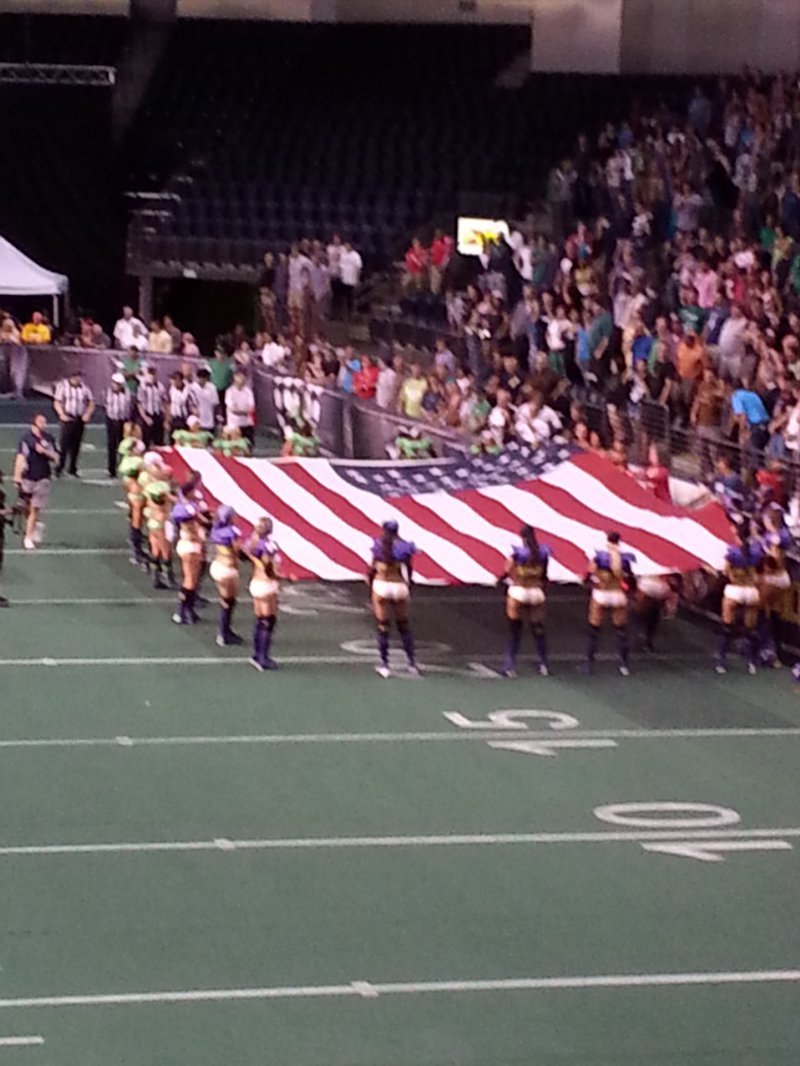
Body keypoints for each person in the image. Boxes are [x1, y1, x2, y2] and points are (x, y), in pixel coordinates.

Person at [367, 519, 419, 679]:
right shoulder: (406, 546)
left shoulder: (378, 545)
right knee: (403, 625)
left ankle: (385, 665)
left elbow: (371, 569)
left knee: (383, 627)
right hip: (399, 586)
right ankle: (412, 663)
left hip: (381, 585)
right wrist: (408, 584)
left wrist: (369, 584)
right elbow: (409, 569)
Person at [499, 525, 550, 678]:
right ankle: (543, 665)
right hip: (536, 592)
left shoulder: (517, 553)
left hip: (518, 591)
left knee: (514, 632)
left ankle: (510, 666)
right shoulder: (543, 552)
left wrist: (499, 580)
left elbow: (507, 570)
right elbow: (545, 575)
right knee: (538, 630)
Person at [583, 532, 635, 676]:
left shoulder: (599, 556)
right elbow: (630, 578)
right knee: (621, 632)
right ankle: (624, 665)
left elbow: (589, 573)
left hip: (601, 594)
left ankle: (589, 664)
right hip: (618, 594)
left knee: (593, 630)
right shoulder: (625, 558)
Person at [715, 521, 762, 675]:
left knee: (727, 627)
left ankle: (721, 661)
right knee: (750, 629)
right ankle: (751, 663)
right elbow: (756, 574)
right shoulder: (755, 550)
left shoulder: (732, 551)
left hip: (735, 591)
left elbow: (725, 571)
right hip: (752, 592)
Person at [13, 412, 58, 551]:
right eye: (40, 421)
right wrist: (17, 476)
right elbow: (20, 457)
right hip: (28, 476)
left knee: (35, 508)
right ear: (34, 423)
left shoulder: (49, 439)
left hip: (43, 477)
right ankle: (33, 525)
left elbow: (56, 457)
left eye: (45, 422)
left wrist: (45, 452)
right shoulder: (26, 439)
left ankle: (28, 537)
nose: (43, 424)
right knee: (26, 507)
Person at [758, 504, 792, 666]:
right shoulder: (779, 534)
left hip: (774, 579)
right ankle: (773, 649)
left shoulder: (776, 538)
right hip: (781, 578)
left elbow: (774, 560)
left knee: (762, 611)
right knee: (774, 613)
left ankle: (768, 650)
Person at [247, 516, 281, 671]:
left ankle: (256, 654)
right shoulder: (269, 545)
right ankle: (263, 657)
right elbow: (268, 565)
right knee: (268, 620)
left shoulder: (252, 543)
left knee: (260, 618)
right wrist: (276, 576)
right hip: (266, 584)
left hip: (255, 582)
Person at [209, 505, 243, 647]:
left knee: (226, 600)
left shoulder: (216, 530)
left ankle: (225, 631)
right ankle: (223, 633)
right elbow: (237, 551)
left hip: (217, 565)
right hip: (227, 569)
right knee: (228, 601)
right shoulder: (231, 532)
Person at [170, 492, 205, 626]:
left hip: (189, 546)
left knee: (191, 580)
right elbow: (195, 534)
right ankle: (182, 611)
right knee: (190, 581)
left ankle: (186, 610)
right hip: (190, 548)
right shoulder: (188, 524)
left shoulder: (185, 520)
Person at [53, 369, 94, 478]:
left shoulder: (85, 389)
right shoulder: (63, 387)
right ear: (71, 377)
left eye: (80, 377)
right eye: (77, 377)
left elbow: (91, 402)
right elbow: (57, 401)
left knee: (76, 445)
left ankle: (72, 468)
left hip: (79, 418)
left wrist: (87, 414)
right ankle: (60, 467)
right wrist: (61, 414)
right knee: (64, 444)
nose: (78, 379)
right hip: (68, 417)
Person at [141, 456, 175, 590]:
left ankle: (156, 578)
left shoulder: (148, 487)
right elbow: (170, 499)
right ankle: (169, 578)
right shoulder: (163, 487)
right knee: (166, 551)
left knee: (155, 549)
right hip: (162, 521)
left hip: (152, 521)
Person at [117, 431, 147, 568]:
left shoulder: (127, 461)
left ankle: (136, 542)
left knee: (136, 517)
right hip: (138, 493)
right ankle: (136, 550)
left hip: (134, 492)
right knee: (137, 517)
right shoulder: (136, 462)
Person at [105, 372, 133, 480]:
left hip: (123, 420)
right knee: (111, 445)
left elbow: (129, 407)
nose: (117, 385)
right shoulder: (108, 393)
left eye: (119, 384)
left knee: (124, 445)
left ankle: (123, 467)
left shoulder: (127, 393)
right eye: (116, 383)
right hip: (112, 420)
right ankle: (111, 469)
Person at [224, 369, 256, 448]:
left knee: (248, 446)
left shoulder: (248, 391)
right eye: (240, 379)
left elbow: (252, 408)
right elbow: (233, 410)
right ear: (235, 379)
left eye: (244, 379)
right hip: (234, 426)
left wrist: (241, 411)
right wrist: (245, 412)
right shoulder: (229, 392)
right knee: (234, 447)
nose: (242, 382)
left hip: (247, 424)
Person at [190, 366, 219, 436]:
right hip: (197, 422)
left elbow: (215, 403)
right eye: (200, 378)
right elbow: (191, 403)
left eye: (204, 378)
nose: (201, 380)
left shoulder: (212, 387)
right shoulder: (192, 387)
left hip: (209, 420)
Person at [338, 240, 363, 319]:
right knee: (343, 298)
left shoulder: (356, 256)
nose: (346, 247)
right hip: (344, 279)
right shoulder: (343, 255)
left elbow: (359, 268)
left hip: (352, 280)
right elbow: (341, 266)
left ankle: (351, 314)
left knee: (350, 298)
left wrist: (357, 279)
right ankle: (343, 314)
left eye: (348, 245)